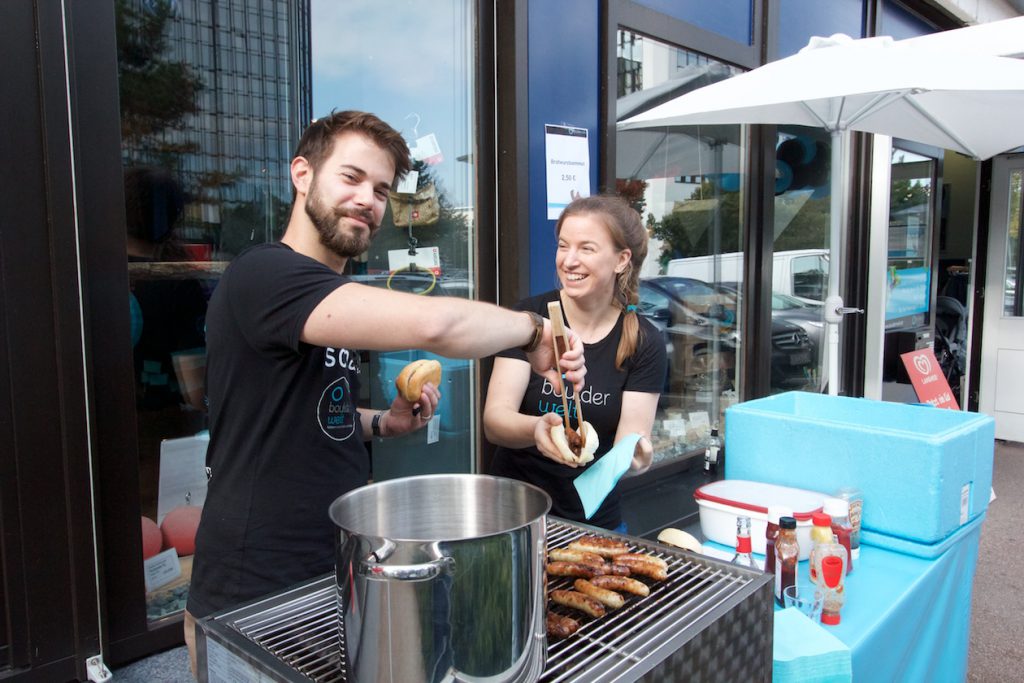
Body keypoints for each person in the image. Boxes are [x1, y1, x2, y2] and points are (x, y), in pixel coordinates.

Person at [183, 110, 585, 670]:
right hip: (256, 594)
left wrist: (385, 422)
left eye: (380, 189)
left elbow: (314, 410)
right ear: (302, 175)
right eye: (350, 178)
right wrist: (534, 332)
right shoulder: (266, 276)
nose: (367, 200)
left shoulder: (328, 294)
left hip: (335, 575)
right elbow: (436, 327)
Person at [483, 195, 667, 531]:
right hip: (513, 518)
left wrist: (634, 458)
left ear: (621, 259)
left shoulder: (644, 341)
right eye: (563, 246)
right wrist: (537, 430)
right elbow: (495, 421)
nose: (569, 260)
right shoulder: (531, 319)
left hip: (594, 525)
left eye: (586, 248)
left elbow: (631, 444)